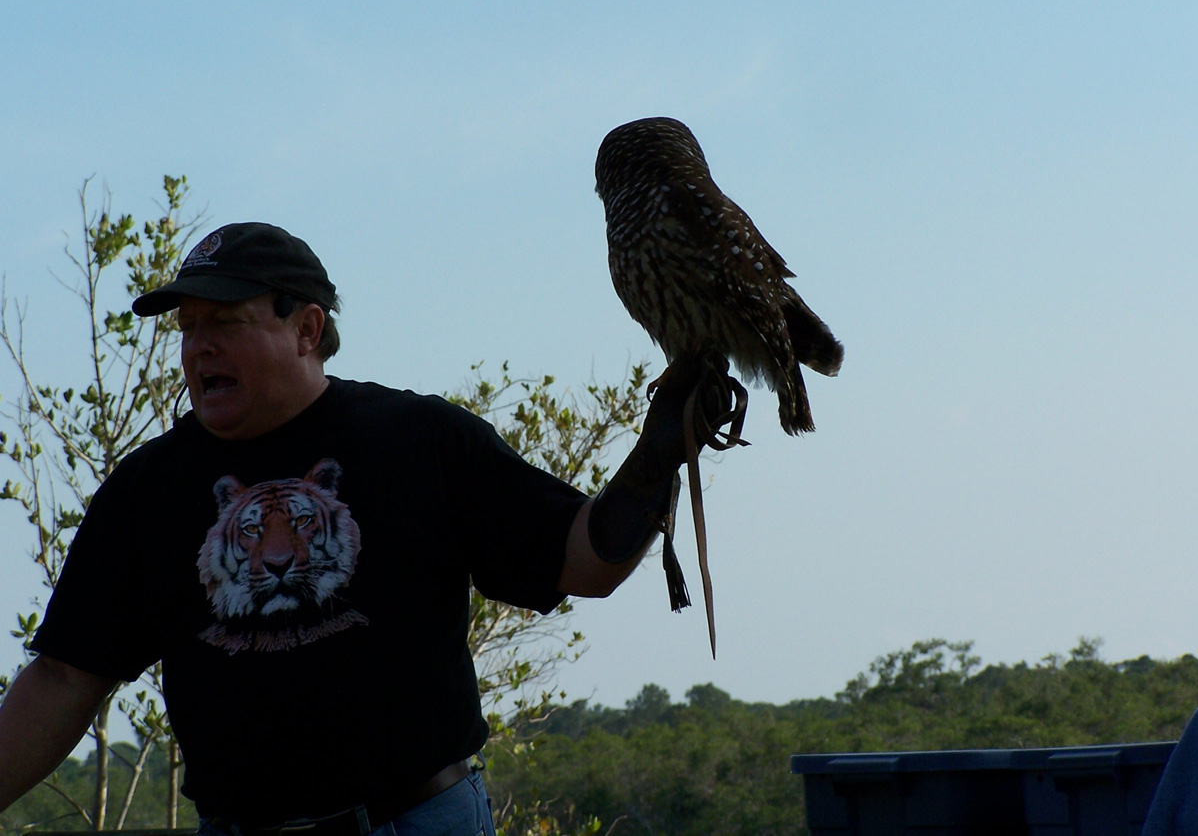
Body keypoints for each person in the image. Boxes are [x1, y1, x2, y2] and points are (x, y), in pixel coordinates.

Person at [0, 222, 723, 836]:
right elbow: (64, 676)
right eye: (188, 328)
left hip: (417, 820)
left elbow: (581, 562)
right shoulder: (147, 489)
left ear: (307, 329)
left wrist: (656, 457)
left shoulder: (416, 439)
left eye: (225, 322)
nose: (198, 348)